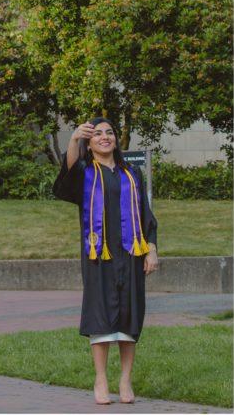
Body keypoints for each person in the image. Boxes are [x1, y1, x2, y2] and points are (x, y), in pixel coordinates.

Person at [52, 117, 158, 405]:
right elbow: (68, 173)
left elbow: (145, 213)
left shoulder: (132, 173)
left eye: (109, 132)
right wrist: (73, 139)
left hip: (131, 254)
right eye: (97, 134)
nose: (104, 137)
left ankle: (125, 380)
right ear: (90, 142)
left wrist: (151, 248)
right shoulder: (86, 172)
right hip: (99, 255)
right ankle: (101, 380)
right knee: (101, 315)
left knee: (129, 315)